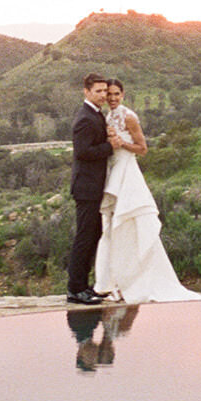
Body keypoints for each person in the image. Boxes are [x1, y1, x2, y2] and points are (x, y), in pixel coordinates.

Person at [94, 79, 201, 303]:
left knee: (131, 224)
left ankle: (137, 280)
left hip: (127, 173)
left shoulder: (129, 117)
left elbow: (143, 149)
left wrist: (120, 143)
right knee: (114, 228)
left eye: (116, 94)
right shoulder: (107, 116)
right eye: (109, 94)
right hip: (113, 171)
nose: (112, 98)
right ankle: (115, 281)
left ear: (123, 94)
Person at [66, 73, 121, 305]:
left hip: (93, 187)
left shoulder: (95, 114)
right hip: (86, 187)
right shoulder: (85, 118)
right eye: (98, 91)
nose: (102, 95)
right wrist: (110, 147)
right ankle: (75, 289)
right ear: (86, 92)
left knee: (92, 236)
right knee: (84, 237)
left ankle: (84, 286)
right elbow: (83, 152)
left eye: (104, 91)